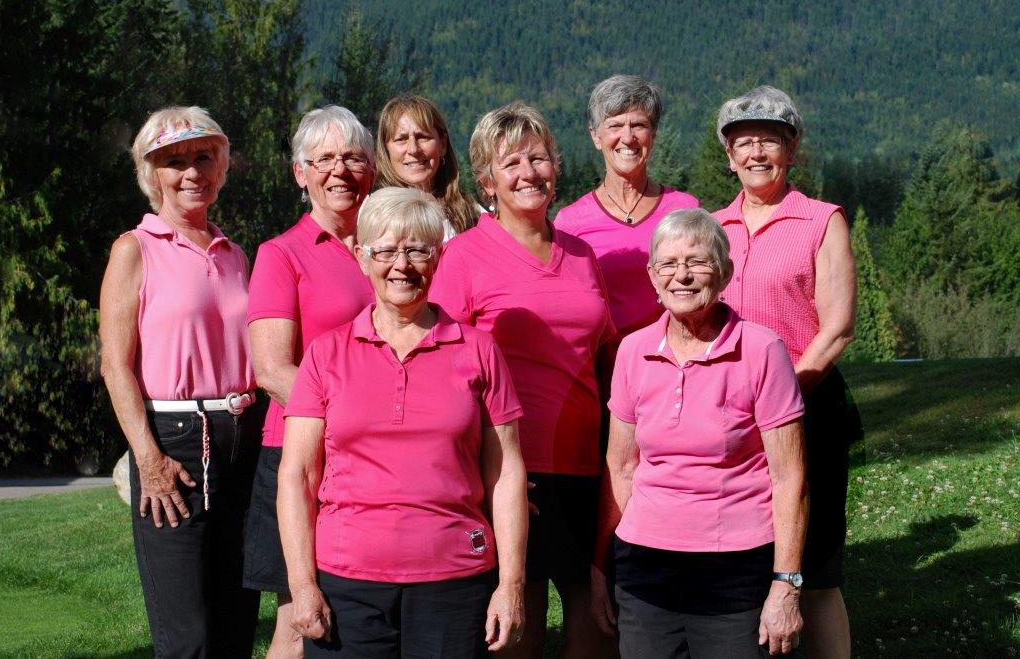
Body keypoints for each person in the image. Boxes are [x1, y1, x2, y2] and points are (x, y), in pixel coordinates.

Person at [277, 187, 528, 657]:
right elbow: (298, 476)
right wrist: (302, 585)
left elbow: (506, 472)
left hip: (455, 578)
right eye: (386, 251)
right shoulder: (325, 354)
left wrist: (511, 584)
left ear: (437, 258)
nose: (402, 265)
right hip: (346, 583)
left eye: (417, 251)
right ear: (362, 257)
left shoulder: (479, 350)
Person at [430, 102, 617, 658]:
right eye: (511, 163)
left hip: (588, 463)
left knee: (597, 625)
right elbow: (442, 365)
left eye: (538, 158)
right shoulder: (463, 256)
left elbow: (605, 353)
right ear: (487, 181)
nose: (528, 173)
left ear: (556, 168)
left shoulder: (581, 254)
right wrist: (478, 472)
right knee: (519, 629)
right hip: (510, 468)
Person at [592, 208, 808, 658]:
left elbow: (790, 478)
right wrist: (599, 565)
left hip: (735, 569)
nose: (682, 276)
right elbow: (620, 467)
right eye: (668, 264)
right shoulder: (632, 352)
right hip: (643, 566)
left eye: (697, 262)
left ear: (724, 272)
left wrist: (786, 585)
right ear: (652, 277)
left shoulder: (762, 350)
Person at [99, 106, 261, 655]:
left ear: (221, 167)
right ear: (152, 174)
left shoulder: (236, 255)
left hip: (243, 438)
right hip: (174, 445)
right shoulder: (134, 249)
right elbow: (115, 365)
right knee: (186, 633)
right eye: (175, 161)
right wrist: (148, 459)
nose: (192, 172)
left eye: (204, 158)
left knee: (237, 622)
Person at [712, 86, 860, 659]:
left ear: (791, 150)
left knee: (816, 572)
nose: (756, 153)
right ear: (729, 156)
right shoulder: (712, 226)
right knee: (743, 559)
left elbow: (837, 328)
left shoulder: (822, 220)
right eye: (743, 142)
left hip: (807, 404)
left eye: (769, 141)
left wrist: (782, 395)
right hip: (725, 413)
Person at [243, 105, 376, 658]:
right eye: (324, 160)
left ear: (372, 168)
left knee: (363, 616)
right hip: (302, 453)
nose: (340, 170)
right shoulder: (282, 254)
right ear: (301, 173)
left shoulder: (386, 247)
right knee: (301, 622)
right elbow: (272, 369)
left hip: (379, 454)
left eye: (353, 157)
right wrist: (354, 418)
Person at [555, 75, 699, 341]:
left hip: (676, 360)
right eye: (615, 125)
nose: (628, 137)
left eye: (638, 125)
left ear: (653, 135)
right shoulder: (570, 223)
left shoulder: (685, 210)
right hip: (603, 363)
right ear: (596, 136)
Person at [375, 94, 485, 240]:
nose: (413, 149)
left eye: (423, 137)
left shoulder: (472, 213)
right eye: (401, 139)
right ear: (386, 150)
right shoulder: (373, 214)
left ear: (443, 145)